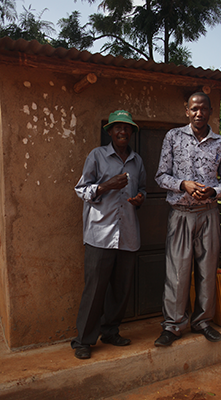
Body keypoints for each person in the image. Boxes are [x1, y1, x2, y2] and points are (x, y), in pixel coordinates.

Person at [154, 92, 221, 346]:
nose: (199, 113)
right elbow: (161, 176)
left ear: (210, 111)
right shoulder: (173, 137)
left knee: (207, 271)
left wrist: (214, 191)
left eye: (204, 109)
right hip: (181, 214)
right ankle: (173, 326)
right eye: (194, 109)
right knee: (177, 272)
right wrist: (183, 185)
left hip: (209, 214)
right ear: (186, 111)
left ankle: (202, 322)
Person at [71, 110, 146, 359]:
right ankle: (83, 340)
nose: (122, 132)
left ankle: (111, 331)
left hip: (128, 234)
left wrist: (140, 198)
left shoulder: (137, 161)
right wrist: (106, 186)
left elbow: (143, 188)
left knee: (121, 289)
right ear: (110, 132)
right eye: (117, 128)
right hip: (100, 234)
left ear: (132, 132)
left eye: (127, 128)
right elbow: (81, 189)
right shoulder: (97, 155)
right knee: (95, 290)